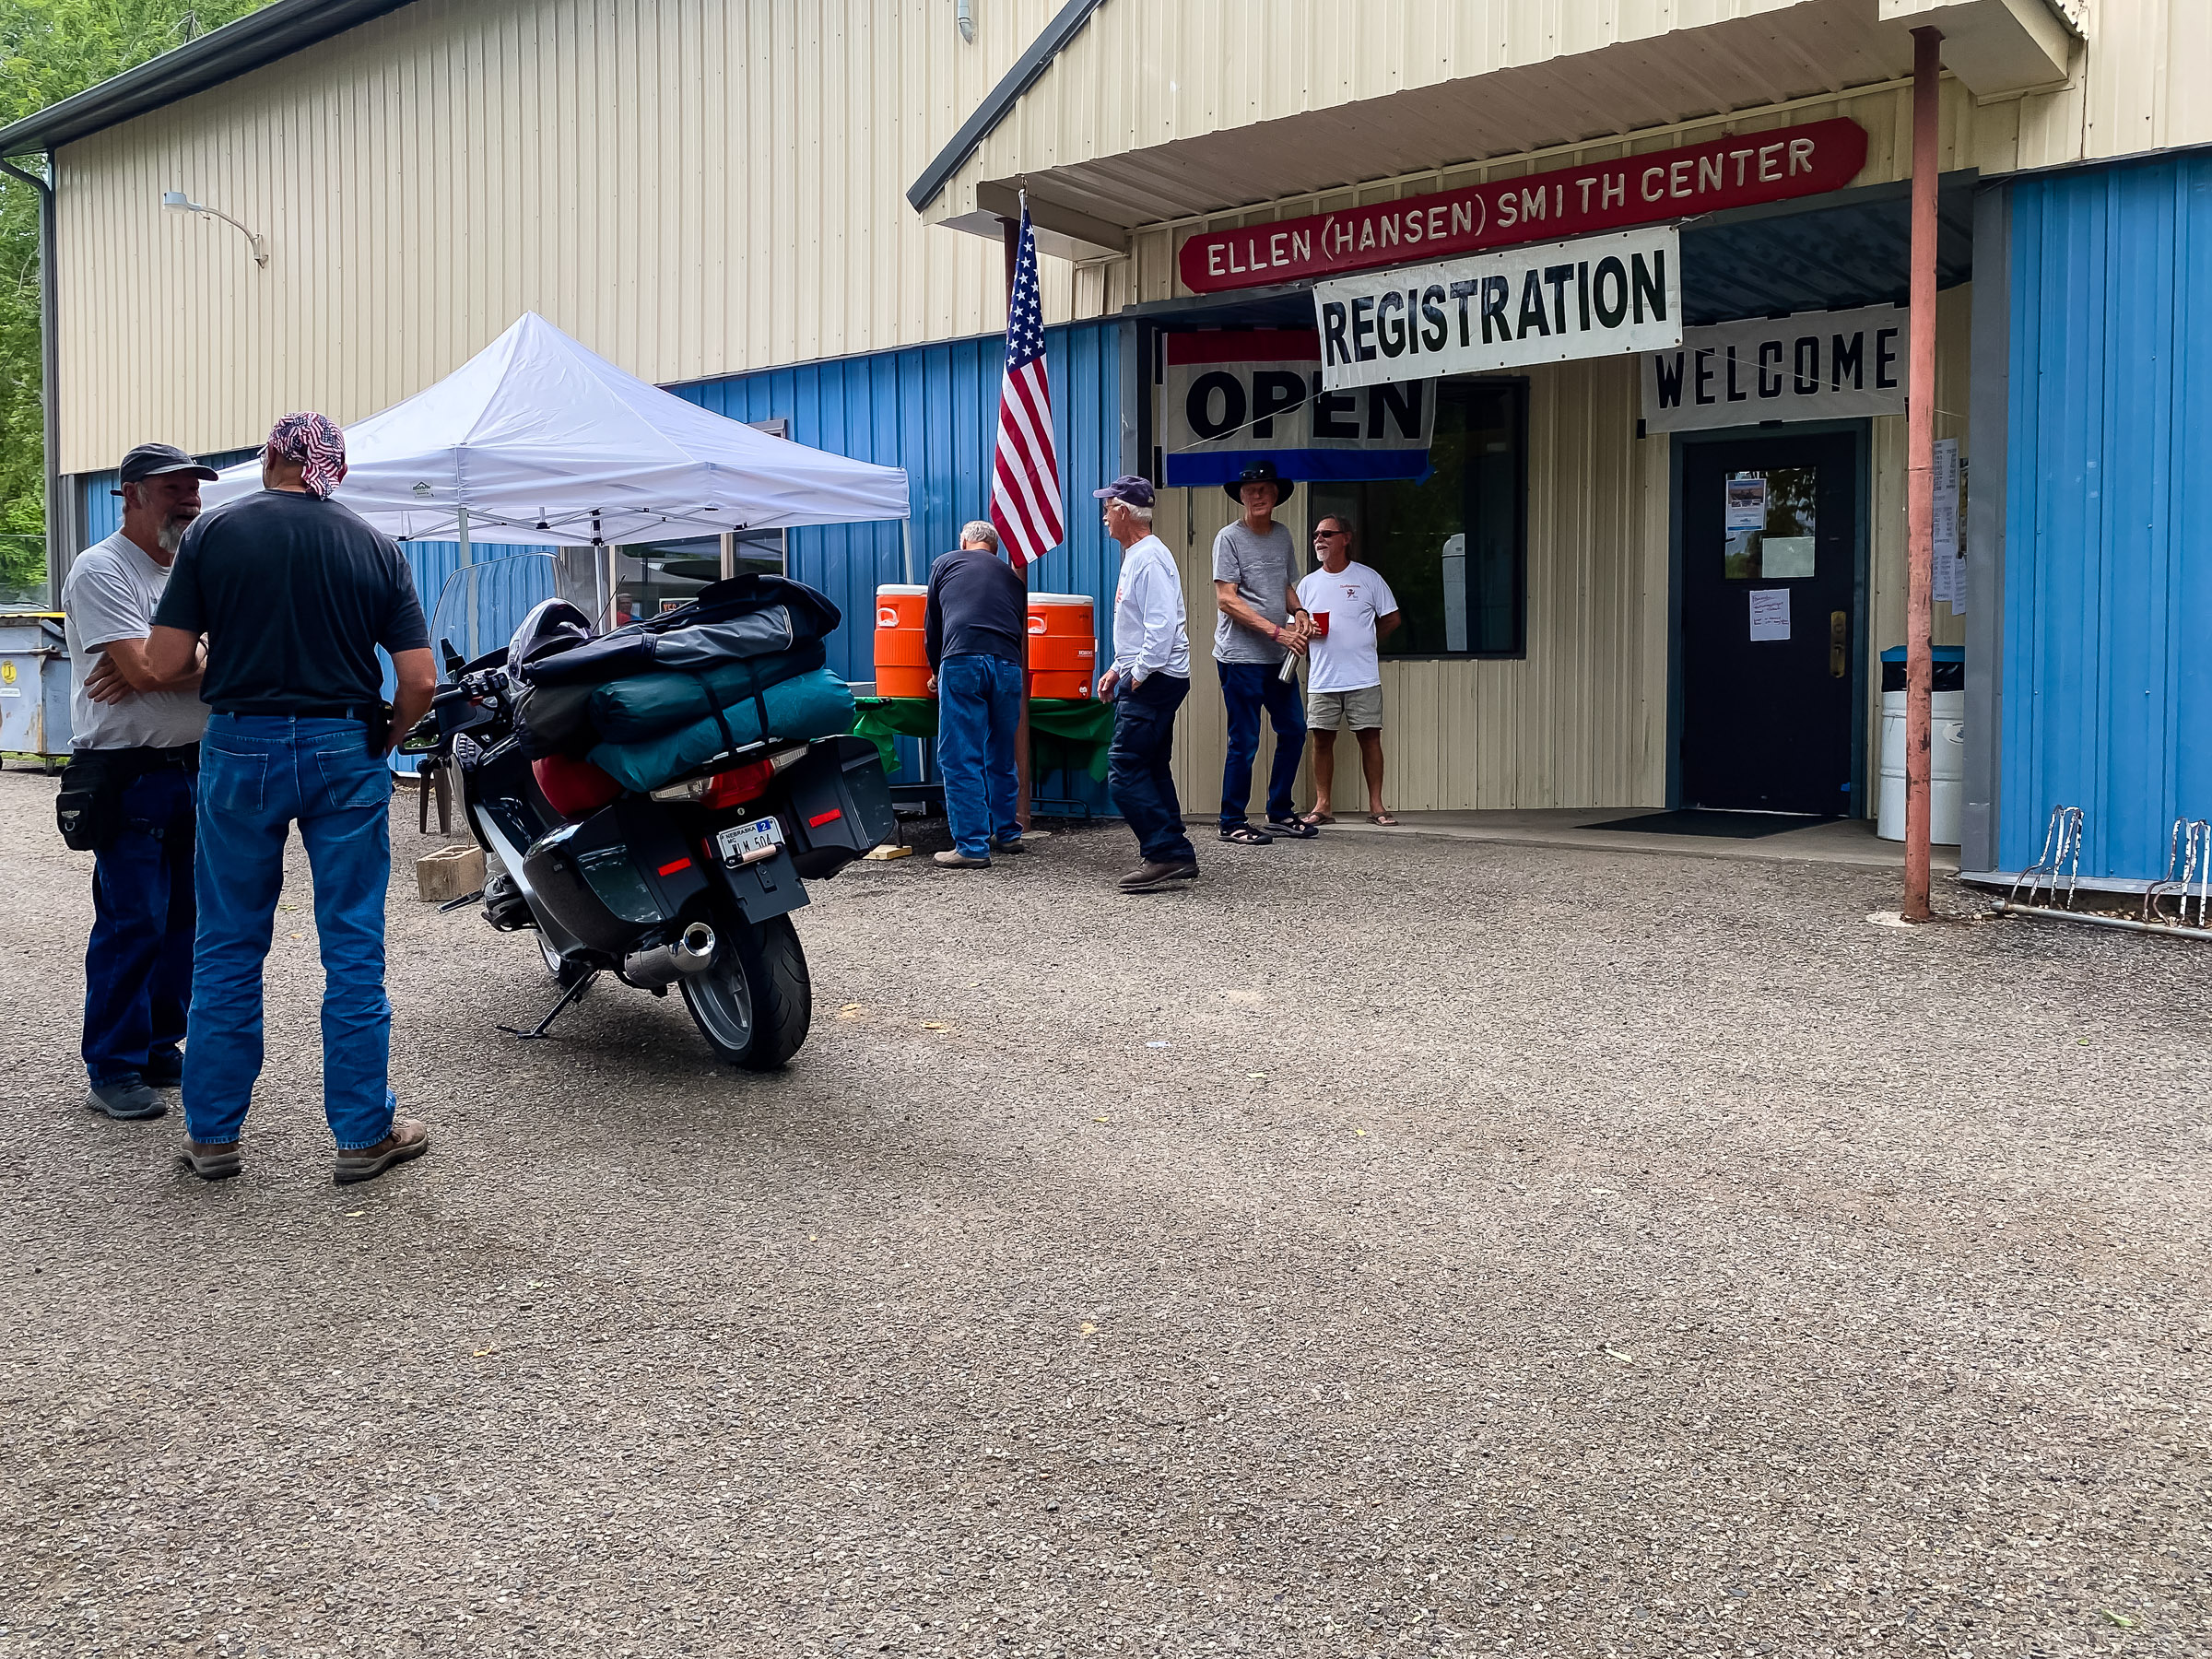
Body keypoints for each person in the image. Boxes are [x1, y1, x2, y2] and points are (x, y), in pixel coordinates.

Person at [142, 413, 439, 1185]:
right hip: (347, 745)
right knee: (351, 947)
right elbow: (419, 681)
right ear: (333, 469)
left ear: (272, 456)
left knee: (229, 944)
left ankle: (213, 1135)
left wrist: (226, 647)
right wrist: (388, 735)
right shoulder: (374, 545)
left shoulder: (215, 536)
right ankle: (362, 1134)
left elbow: (164, 658)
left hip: (242, 744)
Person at [60, 443, 219, 1121]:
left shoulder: (198, 568)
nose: (189, 500)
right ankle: (114, 1066)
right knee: (135, 922)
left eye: (193, 489)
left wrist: (176, 657)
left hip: (194, 766)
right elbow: (150, 671)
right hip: (127, 774)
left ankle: (158, 1043)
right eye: (173, 489)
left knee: (185, 919)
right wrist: (185, 658)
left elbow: (225, 656)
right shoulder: (101, 571)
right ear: (130, 494)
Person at [1093, 475, 1196, 891]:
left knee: (1123, 768)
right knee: (1151, 766)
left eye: (1108, 508)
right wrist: (1118, 668)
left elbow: (1160, 628)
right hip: (1154, 675)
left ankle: (1164, 852)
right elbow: (1137, 626)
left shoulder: (1149, 558)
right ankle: (1174, 851)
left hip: (1155, 678)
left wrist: (1136, 675)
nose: (1104, 516)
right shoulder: (1139, 554)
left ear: (1123, 512)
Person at [1210, 460, 1318, 847]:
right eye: (1250, 490)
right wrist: (1279, 632)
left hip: (1277, 658)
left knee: (1293, 730)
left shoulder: (1283, 535)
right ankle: (1231, 820)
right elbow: (1227, 600)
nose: (1257, 496)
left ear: (1276, 496)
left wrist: (1300, 611)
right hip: (1240, 658)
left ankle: (1280, 812)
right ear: (1241, 496)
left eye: (1265, 490)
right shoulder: (1229, 538)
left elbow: (1285, 585)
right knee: (1246, 739)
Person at [924, 520, 1028, 868]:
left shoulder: (946, 562)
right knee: (1000, 749)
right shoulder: (1013, 577)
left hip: (963, 658)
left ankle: (971, 845)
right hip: (1009, 666)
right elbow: (1019, 627)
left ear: (964, 541)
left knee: (959, 755)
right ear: (994, 548)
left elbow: (933, 626)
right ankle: (1008, 833)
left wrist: (937, 671)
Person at [1296, 514, 1402, 827]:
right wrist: (1307, 632)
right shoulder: (1308, 584)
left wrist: (1367, 640)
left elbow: (1392, 618)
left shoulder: (1368, 578)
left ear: (1346, 538)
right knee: (1321, 741)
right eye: (1316, 534)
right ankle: (1323, 805)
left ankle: (1376, 805)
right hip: (1322, 677)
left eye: (1327, 534)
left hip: (1362, 676)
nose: (1319, 539)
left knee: (1370, 738)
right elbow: (1294, 628)